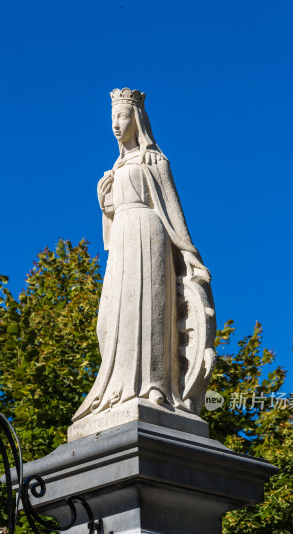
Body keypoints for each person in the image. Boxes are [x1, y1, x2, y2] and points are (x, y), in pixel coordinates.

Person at [72, 88, 215, 423]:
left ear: (136, 120)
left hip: (149, 236)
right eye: (113, 119)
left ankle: (155, 386)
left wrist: (189, 253)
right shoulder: (114, 169)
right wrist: (104, 201)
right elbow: (110, 215)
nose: (116, 126)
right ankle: (115, 388)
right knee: (111, 315)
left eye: (122, 117)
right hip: (122, 240)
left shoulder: (155, 161)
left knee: (150, 308)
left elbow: (174, 212)